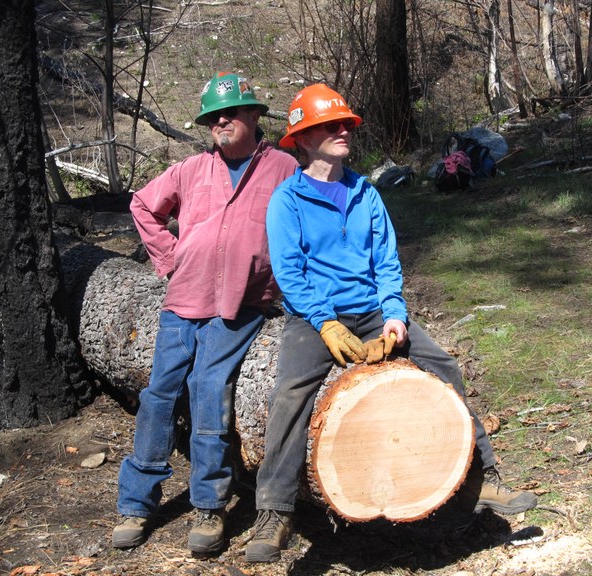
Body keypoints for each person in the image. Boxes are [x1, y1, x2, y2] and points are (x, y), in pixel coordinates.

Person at [245, 84, 537, 563]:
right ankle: (274, 512)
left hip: (373, 311)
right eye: (331, 125)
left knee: (444, 366)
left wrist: (396, 317)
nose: (344, 131)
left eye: (346, 124)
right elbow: (290, 274)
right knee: (290, 395)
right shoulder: (287, 201)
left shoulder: (364, 191)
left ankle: (482, 480)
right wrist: (324, 323)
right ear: (302, 137)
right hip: (314, 317)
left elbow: (386, 262)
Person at [112, 72, 298, 553]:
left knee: (209, 387)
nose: (220, 122)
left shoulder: (283, 168)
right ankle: (136, 503)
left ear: (254, 116)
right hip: (184, 300)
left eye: (230, 113)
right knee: (158, 394)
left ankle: (209, 506)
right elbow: (143, 206)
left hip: (240, 304)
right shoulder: (192, 169)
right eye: (212, 117)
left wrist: (283, 283)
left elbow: (303, 228)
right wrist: (169, 259)